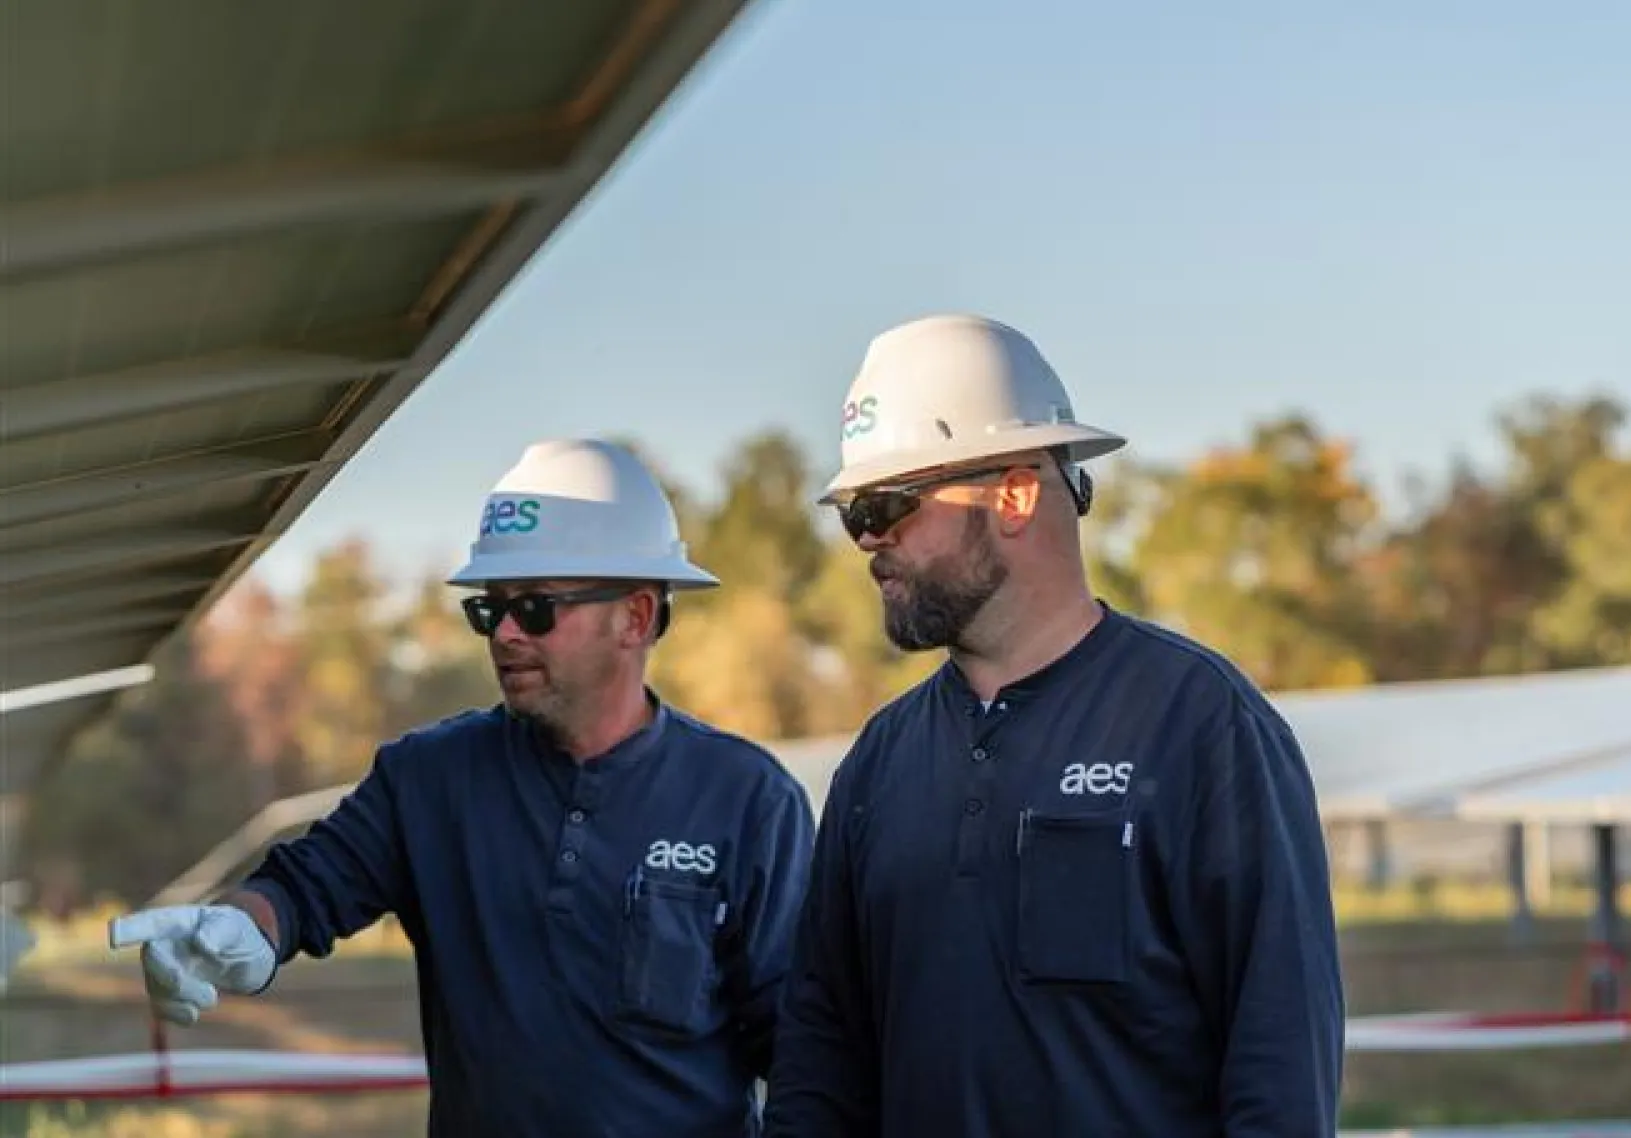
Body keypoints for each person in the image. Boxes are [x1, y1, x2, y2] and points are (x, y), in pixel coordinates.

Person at [109, 437, 818, 1138]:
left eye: (535, 608)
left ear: (634, 616)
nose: (505, 634)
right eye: (490, 609)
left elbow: (803, 1053)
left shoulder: (747, 800)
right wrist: (240, 927)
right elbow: (303, 888)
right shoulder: (430, 779)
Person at [764, 314, 1347, 1137]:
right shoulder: (880, 762)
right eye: (854, 511)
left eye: (892, 502)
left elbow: (1279, 1059)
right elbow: (822, 1057)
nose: (868, 539)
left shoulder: (1199, 724)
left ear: (1014, 491)